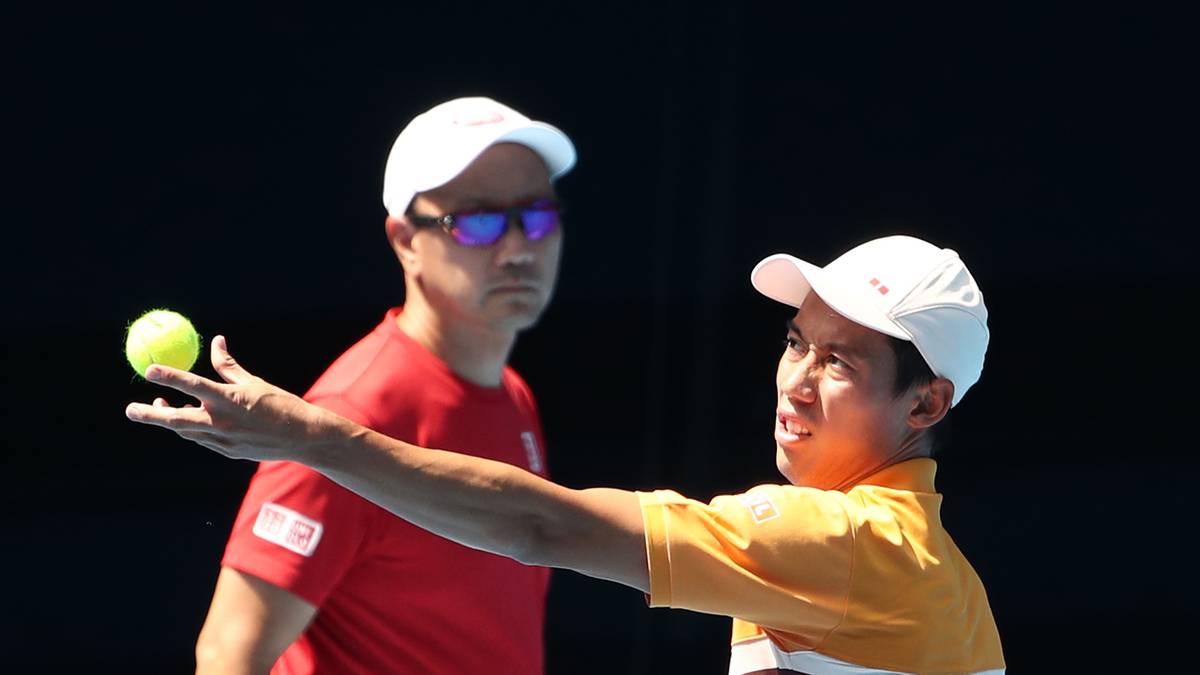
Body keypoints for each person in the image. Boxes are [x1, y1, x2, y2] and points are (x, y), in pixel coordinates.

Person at [129, 234, 1007, 674]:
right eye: (796, 342)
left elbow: (541, 524)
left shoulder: (847, 541)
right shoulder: (949, 581)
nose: (797, 383)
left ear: (925, 403)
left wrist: (312, 438)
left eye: (840, 362)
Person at [188, 96, 577, 674]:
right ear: (404, 240)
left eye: (537, 216)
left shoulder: (513, 393)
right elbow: (226, 656)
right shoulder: (348, 414)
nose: (519, 248)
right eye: (478, 221)